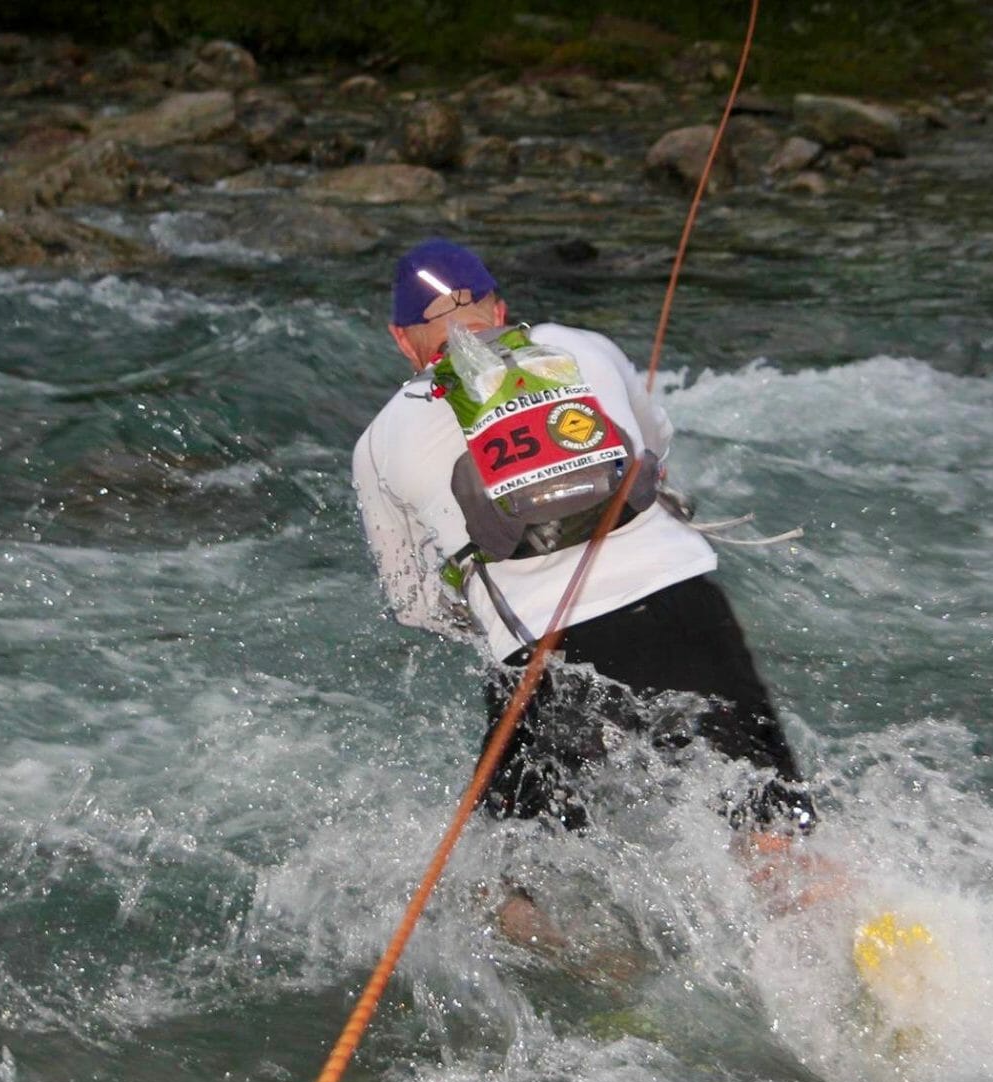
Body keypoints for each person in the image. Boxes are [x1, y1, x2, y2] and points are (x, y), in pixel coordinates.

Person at [351, 238, 821, 890]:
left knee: (517, 884)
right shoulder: (579, 343)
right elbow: (653, 446)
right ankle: (861, 950)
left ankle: (599, 977)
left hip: (545, 652)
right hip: (680, 603)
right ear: (500, 310)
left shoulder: (380, 440)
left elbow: (413, 602)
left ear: (403, 341)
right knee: (771, 832)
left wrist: (477, 616)